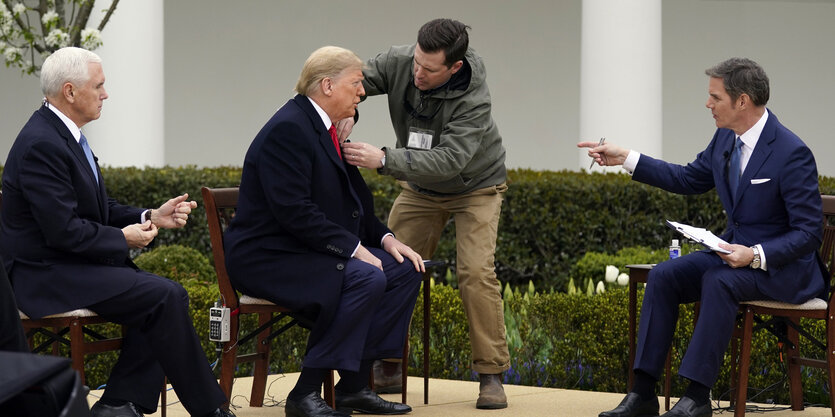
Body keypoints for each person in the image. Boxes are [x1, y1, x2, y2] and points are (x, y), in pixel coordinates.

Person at [579, 57, 829, 417]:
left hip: (784, 270)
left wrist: (754, 254)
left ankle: (697, 397)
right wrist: (627, 158)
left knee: (719, 280)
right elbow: (687, 179)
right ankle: (643, 394)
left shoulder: (792, 153)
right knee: (664, 275)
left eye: (715, 97)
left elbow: (808, 234)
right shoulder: (725, 138)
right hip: (733, 257)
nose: (707, 104)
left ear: (742, 101)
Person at [0, 47, 233, 417]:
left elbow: (98, 210)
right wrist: (123, 238)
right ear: (71, 92)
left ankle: (120, 404)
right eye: (100, 85)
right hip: (42, 274)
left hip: (70, 265)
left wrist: (152, 216)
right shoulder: (41, 143)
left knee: (162, 296)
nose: (106, 94)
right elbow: (63, 232)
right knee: (163, 296)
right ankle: (207, 410)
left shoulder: (62, 134)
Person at [223, 45, 425, 417]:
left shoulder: (323, 127)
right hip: (268, 256)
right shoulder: (289, 128)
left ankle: (352, 387)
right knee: (365, 277)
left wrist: (387, 240)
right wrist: (355, 250)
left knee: (404, 269)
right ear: (328, 86)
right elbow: (293, 211)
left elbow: (355, 206)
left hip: (304, 249)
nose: (362, 93)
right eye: (356, 84)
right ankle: (304, 394)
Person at [337, 18, 510, 409]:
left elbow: (450, 160)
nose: (418, 73)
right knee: (389, 267)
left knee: (475, 273)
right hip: (419, 188)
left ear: (455, 67)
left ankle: (491, 375)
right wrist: (349, 111)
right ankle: (388, 361)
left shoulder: (474, 100)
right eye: (416, 62)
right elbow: (351, 82)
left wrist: (383, 159)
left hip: (475, 186)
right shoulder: (400, 62)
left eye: (429, 70)